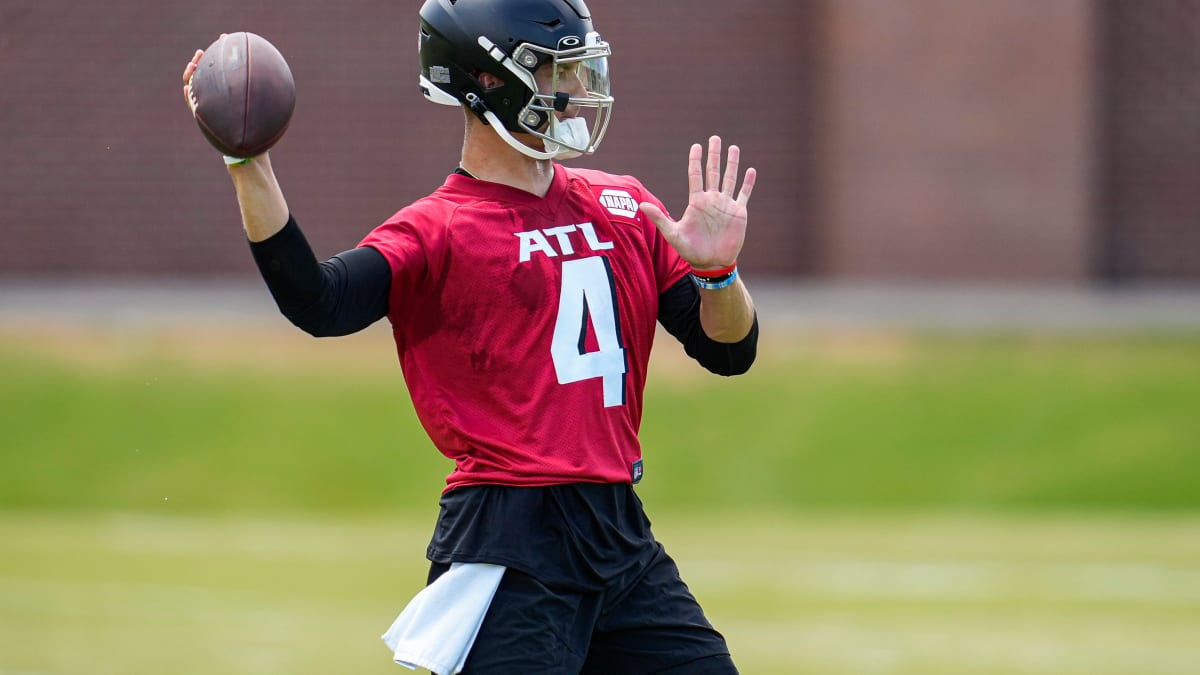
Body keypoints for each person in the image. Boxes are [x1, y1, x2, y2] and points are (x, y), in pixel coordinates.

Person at [182, 0, 758, 672]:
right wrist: (247, 162)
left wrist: (718, 274)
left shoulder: (622, 204)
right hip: (511, 543)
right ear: (489, 81)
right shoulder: (439, 229)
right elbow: (318, 301)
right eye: (553, 70)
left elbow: (728, 350)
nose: (573, 91)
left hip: (620, 535)